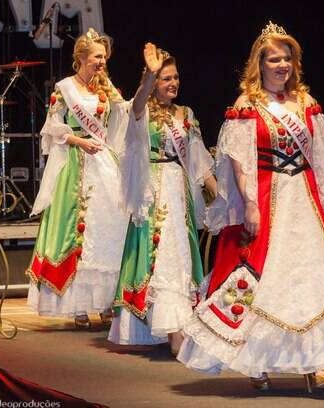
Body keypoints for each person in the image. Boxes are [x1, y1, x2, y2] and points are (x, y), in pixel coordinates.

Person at [177, 22, 324, 392]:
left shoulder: (306, 103)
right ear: (260, 64)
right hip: (270, 196)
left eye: (287, 58)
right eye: (274, 59)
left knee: (312, 277)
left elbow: (318, 157)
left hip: (305, 199)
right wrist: (250, 204)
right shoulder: (246, 107)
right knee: (266, 279)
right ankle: (258, 359)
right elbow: (239, 160)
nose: (281, 65)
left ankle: (314, 364)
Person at [109, 44, 217, 354]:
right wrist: (149, 75)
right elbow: (140, 101)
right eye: (166, 78)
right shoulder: (140, 110)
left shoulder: (186, 114)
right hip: (153, 192)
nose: (173, 83)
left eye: (175, 77)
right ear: (155, 82)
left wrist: (219, 195)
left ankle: (180, 325)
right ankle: (173, 332)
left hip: (179, 191)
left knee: (180, 253)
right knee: (162, 253)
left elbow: (197, 160)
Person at [26, 28, 128, 328]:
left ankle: (107, 302)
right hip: (76, 163)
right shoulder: (64, 88)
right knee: (80, 230)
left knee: (107, 230)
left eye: (104, 57)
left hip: (105, 164)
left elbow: (122, 120)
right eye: (97, 56)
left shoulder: (106, 89)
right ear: (81, 57)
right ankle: (79, 306)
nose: (102, 62)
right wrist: (79, 141)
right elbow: (52, 127)